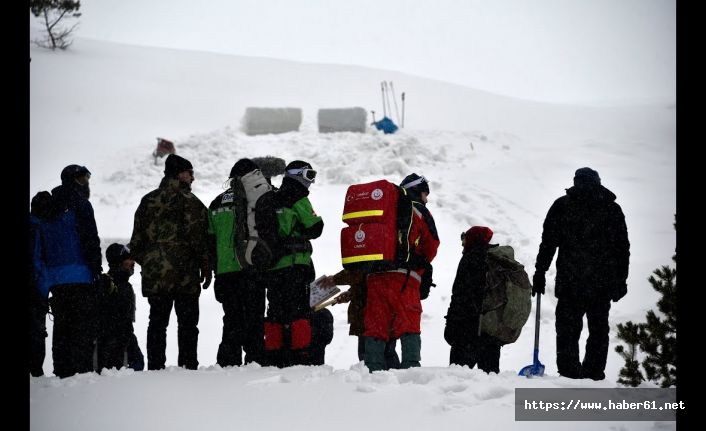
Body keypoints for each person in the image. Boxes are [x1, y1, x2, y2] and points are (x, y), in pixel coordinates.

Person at [532, 167, 630, 380]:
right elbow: (622, 249)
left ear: (575, 182)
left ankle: (569, 373)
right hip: (600, 283)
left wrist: (540, 270)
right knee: (598, 330)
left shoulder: (563, 206)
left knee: (567, 329)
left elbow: (548, 243)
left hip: (571, 282)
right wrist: (621, 279)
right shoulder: (611, 209)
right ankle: (593, 372)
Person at [129, 154, 211, 370]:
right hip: (186, 276)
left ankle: (156, 368)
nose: (193, 177)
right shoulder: (191, 202)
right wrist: (205, 264)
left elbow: (136, 242)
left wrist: (151, 262)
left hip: (156, 276)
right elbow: (200, 239)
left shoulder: (148, 201)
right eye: (190, 172)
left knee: (157, 324)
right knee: (187, 325)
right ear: (179, 174)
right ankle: (187, 367)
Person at [362, 173, 440, 371]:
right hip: (405, 277)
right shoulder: (418, 211)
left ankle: (372, 370)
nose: (427, 199)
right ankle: (410, 369)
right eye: (425, 193)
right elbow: (432, 245)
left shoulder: (380, 212)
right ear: (416, 191)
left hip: (374, 275)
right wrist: (418, 261)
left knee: (376, 324)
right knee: (408, 323)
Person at [34, 165, 103, 378]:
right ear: (73, 180)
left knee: (62, 328)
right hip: (80, 275)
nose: (87, 183)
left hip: (55, 278)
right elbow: (90, 239)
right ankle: (81, 372)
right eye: (83, 179)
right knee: (82, 327)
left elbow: (41, 246)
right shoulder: (81, 205)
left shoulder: (46, 207)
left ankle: (62, 372)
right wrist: (96, 269)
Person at [262, 160, 324, 367]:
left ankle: (274, 354)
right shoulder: (299, 197)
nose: (311, 181)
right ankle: (300, 355)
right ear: (297, 175)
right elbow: (315, 227)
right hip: (295, 265)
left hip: (273, 266)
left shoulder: (271, 199)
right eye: (309, 175)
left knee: (275, 311)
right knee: (299, 311)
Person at [208, 159, 267, 367]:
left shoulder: (216, 203)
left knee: (231, 320)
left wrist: (215, 271)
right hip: (250, 270)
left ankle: (227, 364)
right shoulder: (257, 199)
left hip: (225, 274)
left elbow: (210, 241)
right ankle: (255, 363)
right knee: (255, 321)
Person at [444, 226, 502, 373]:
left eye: (465, 239)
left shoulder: (469, 258)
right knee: (491, 384)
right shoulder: (495, 259)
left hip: (466, 331)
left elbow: (459, 295)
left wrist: (451, 324)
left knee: (458, 380)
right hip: (490, 332)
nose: (463, 244)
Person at [327, 270, 400, 369]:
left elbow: (357, 272)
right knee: (387, 353)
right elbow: (363, 283)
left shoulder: (370, 263)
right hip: (378, 315)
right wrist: (350, 293)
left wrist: (334, 279)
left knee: (370, 355)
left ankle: (377, 379)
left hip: (369, 317)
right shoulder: (385, 265)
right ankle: (392, 379)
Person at [95, 243, 144, 371]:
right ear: (118, 262)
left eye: (132, 260)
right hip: (112, 341)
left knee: (138, 363)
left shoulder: (125, 285)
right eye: (128, 260)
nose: (132, 263)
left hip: (125, 337)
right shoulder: (106, 283)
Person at [29, 191, 53, 377]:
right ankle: (36, 371)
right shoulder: (40, 229)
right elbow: (38, 263)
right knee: (37, 331)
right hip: (36, 289)